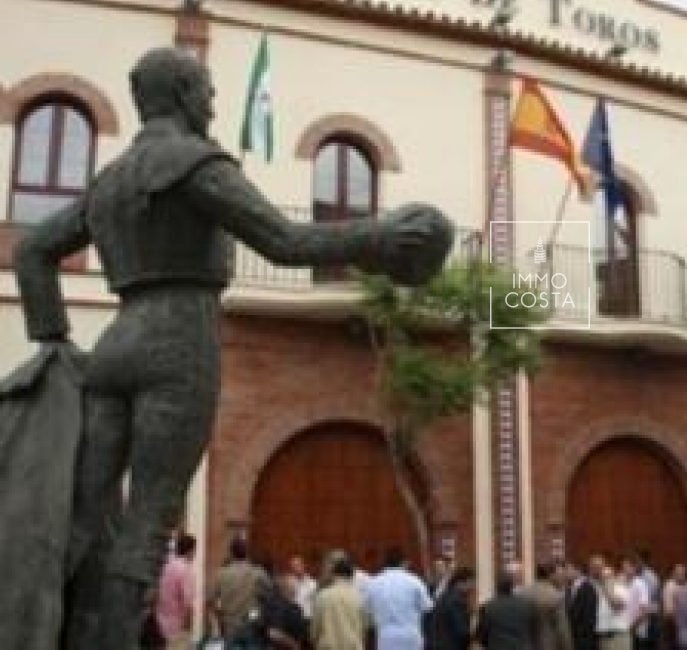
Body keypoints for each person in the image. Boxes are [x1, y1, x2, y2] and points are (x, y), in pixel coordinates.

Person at [14, 45, 454, 648]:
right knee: (146, 522)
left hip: (116, 338)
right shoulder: (196, 164)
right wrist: (377, 236)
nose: (214, 105)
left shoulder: (110, 180)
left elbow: (32, 251)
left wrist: (53, 336)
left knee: (85, 520)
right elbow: (284, 241)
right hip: (181, 337)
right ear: (187, 97)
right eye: (209, 94)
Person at [366, 547, 434, 650]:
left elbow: (367, 609)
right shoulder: (414, 581)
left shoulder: (374, 583)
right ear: (405, 563)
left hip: (386, 636)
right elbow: (427, 607)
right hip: (410, 634)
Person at [209, 538, 272, 644]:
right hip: (251, 623)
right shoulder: (258, 573)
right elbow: (270, 596)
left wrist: (217, 621)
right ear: (247, 552)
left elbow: (211, 601)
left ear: (231, 553)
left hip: (229, 624)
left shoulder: (221, 574)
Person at [155, 533, 198, 650]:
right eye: (194, 551)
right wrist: (189, 627)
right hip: (178, 627)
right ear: (190, 551)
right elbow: (187, 602)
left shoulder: (166, 566)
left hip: (160, 625)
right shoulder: (185, 569)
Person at [476, 571, 540, 649]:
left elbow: (481, 635)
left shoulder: (487, 607)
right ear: (511, 587)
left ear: (497, 587)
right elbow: (534, 631)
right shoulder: (526, 605)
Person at [312, 555, 364, 650]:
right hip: (353, 646)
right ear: (351, 575)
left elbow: (315, 628)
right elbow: (364, 627)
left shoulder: (323, 596)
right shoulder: (359, 597)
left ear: (334, 574)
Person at [521, 561, 573, 650]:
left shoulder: (523, 594)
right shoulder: (555, 596)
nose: (560, 576)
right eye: (557, 573)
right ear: (551, 575)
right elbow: (562, 630)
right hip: (549, 645)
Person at [261, 573, 313, 650]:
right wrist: (294, 645)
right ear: (288, 588)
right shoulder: (287, 607)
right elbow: (274, 633)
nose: (297, 589)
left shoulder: (269, 604)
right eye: (295, 586)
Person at [431, 566, 475, 650]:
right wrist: (471, 639)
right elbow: (461, 630)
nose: (473, 586)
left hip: (439, 644)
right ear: (462, 582)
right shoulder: (457, 600)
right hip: (452, 645)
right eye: (472, 582)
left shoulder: (444, 596)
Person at [565, 560, 600, 650]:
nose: (565, 573)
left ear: (578, 570)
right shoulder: (569, 589)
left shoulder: (588, 588)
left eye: (568, 569)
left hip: (584, 641)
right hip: (572, 640)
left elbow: (589, 618)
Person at [289, 556, 319, 621]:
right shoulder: (289, 584)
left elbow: (317, 603)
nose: (295, 568)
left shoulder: (313, 584)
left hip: (309, 617)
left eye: (298, 565)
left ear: (303, 566)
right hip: (294, 619)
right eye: (293, 566)